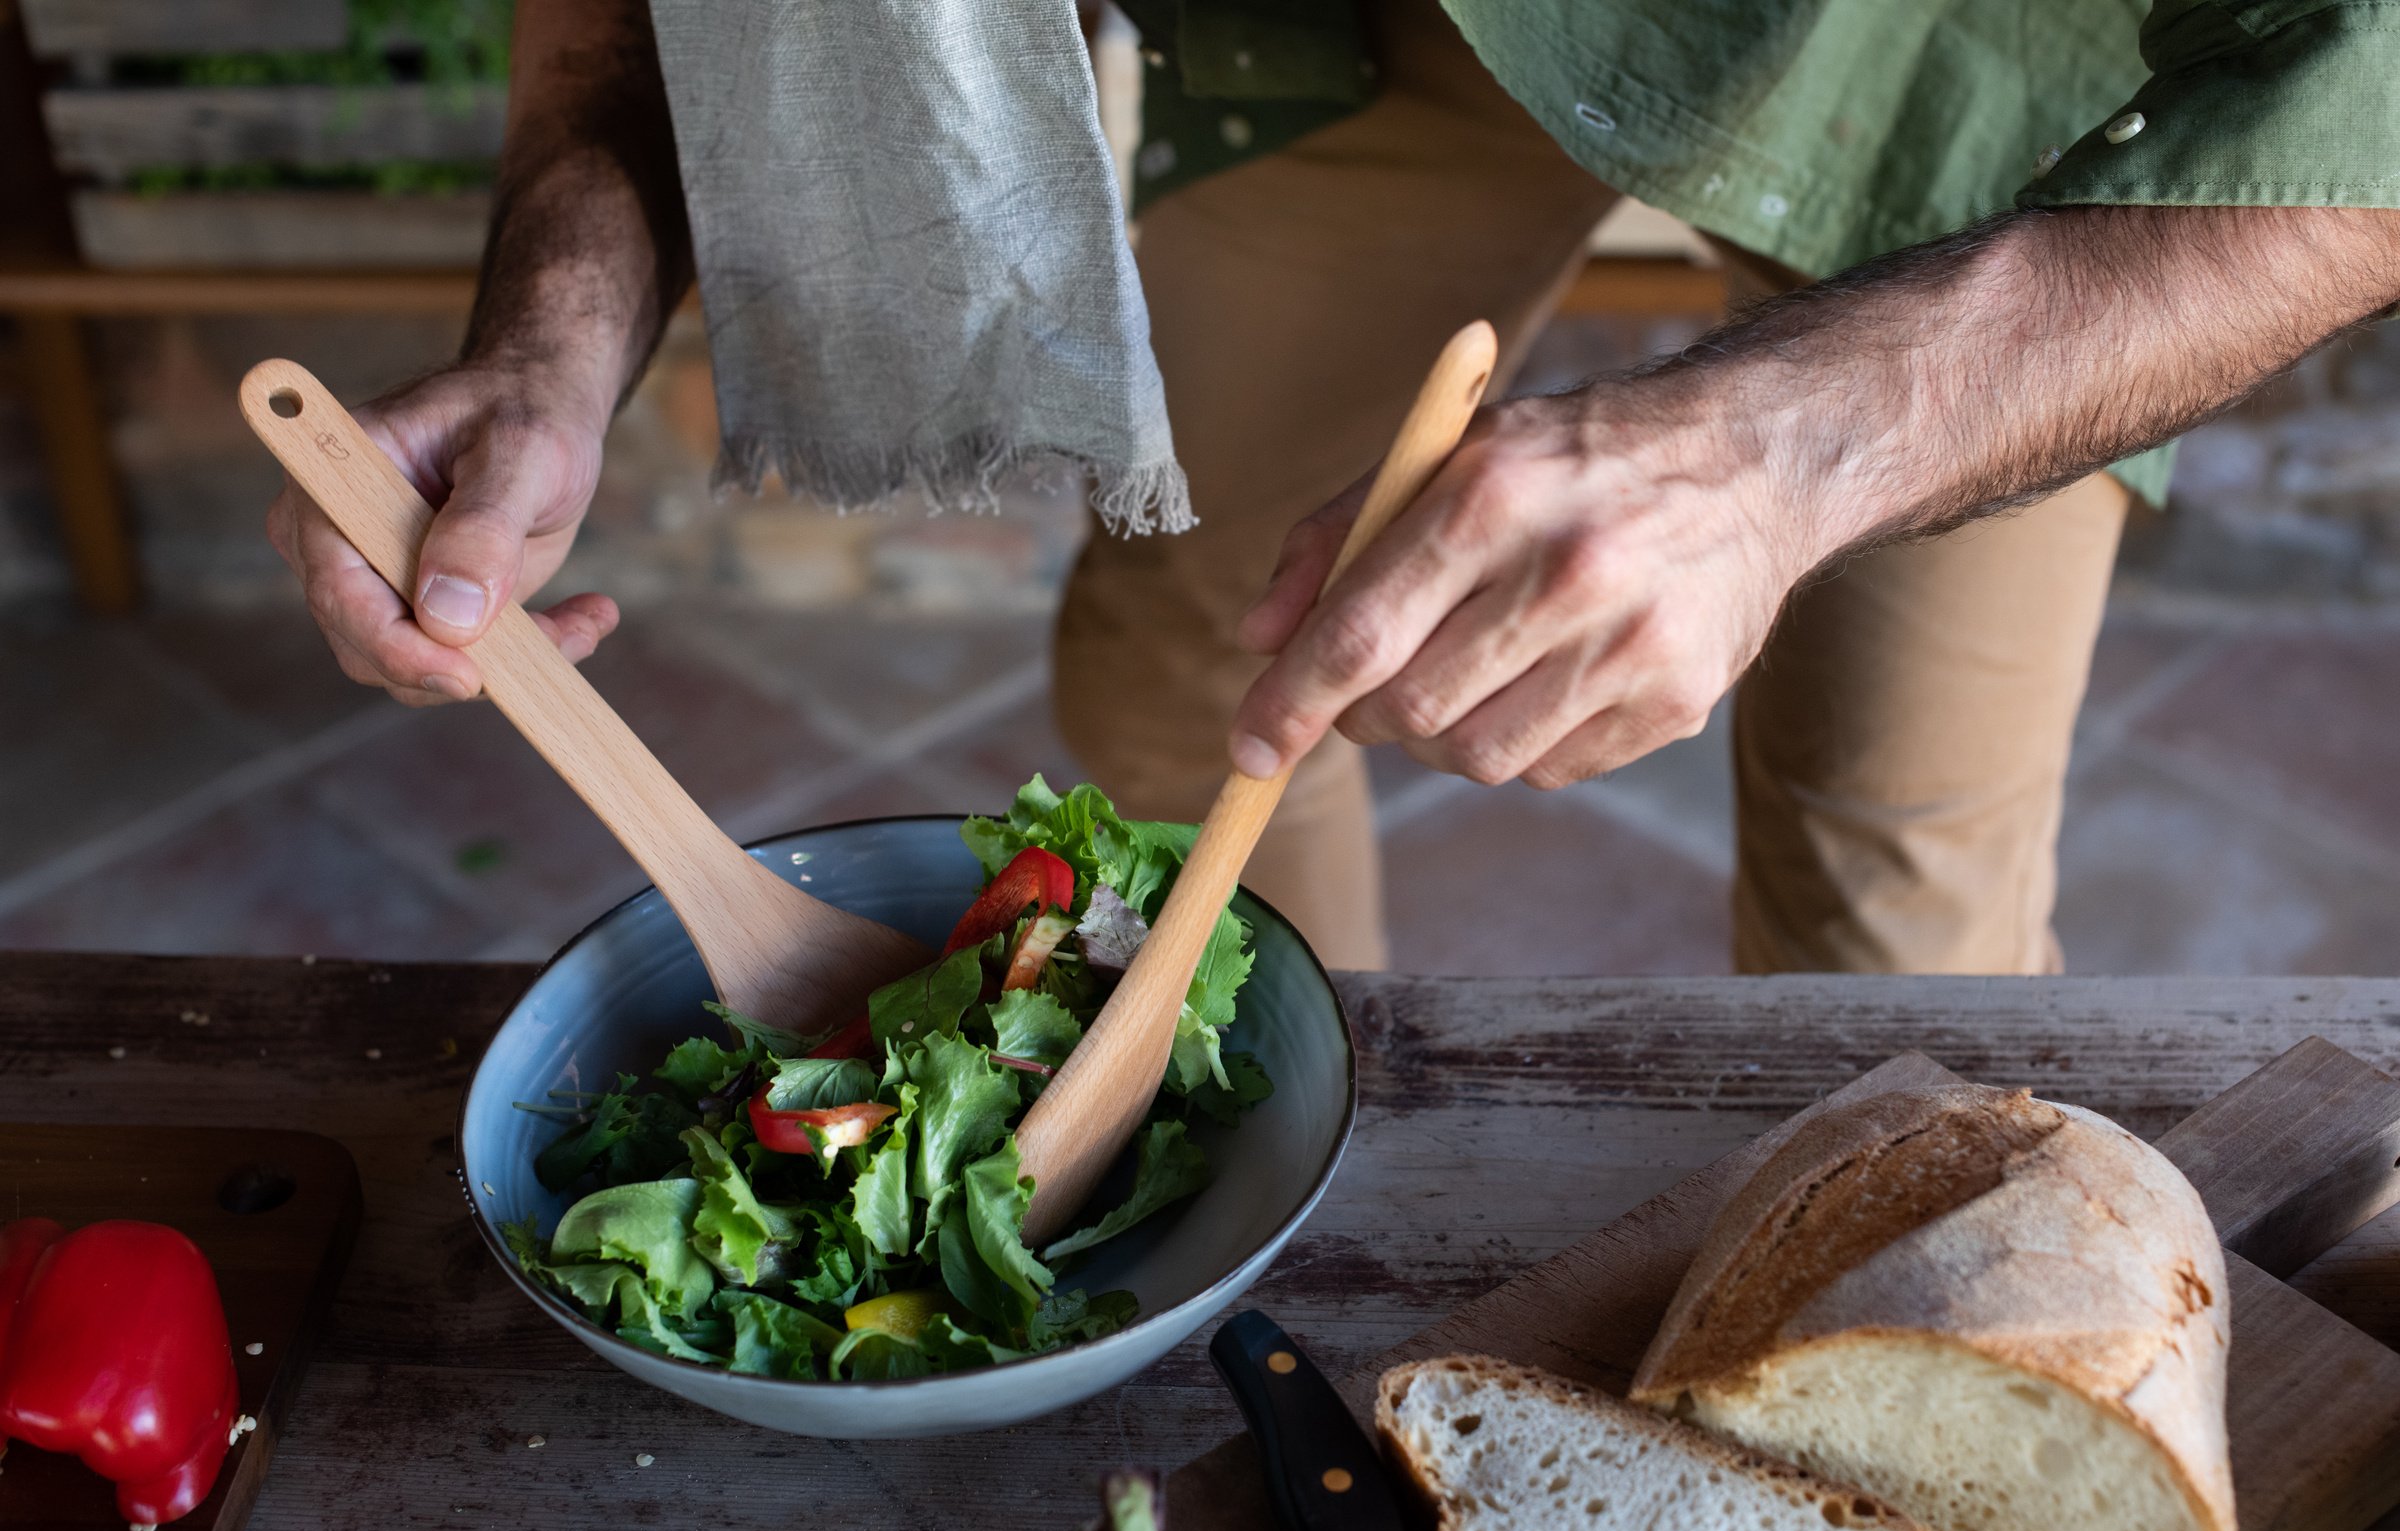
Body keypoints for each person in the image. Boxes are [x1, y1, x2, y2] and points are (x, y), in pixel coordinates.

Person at [264, 0, 2400, 976]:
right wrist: (558, 326)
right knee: (1190, 655)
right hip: (1386, 30)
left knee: (1899, 900)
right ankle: (1306, 1190)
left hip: (1976, 72)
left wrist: (1778, 451)